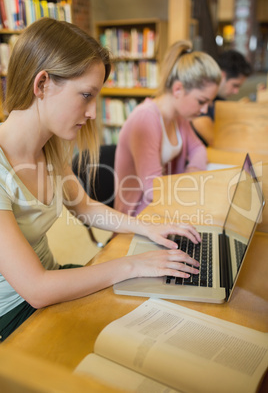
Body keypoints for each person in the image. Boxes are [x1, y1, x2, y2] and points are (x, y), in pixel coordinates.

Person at [0, 18, 203, 341]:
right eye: (86, 95)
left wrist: (146, 226)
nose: (93, 112)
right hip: (12, 313)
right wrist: (133, 265)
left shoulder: (49, 147)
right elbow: (35, 288)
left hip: (53, 284)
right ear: (42, 85)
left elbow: (83, 206)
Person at [114, 40, 222, 217]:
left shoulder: (179, 116)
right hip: (139, 216)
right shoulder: (146, 118)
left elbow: (198, 149)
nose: (204, 110)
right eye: (201, 101)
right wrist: (190, 183)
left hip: (167, 205)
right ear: (178, 89)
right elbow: (152, 191)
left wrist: (192, 172)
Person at [191, 49, 252, 146]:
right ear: (222, 75)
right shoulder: (201, 98)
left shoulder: (219, 99)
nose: (236, 92)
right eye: (235, 85)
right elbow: (214, 140)